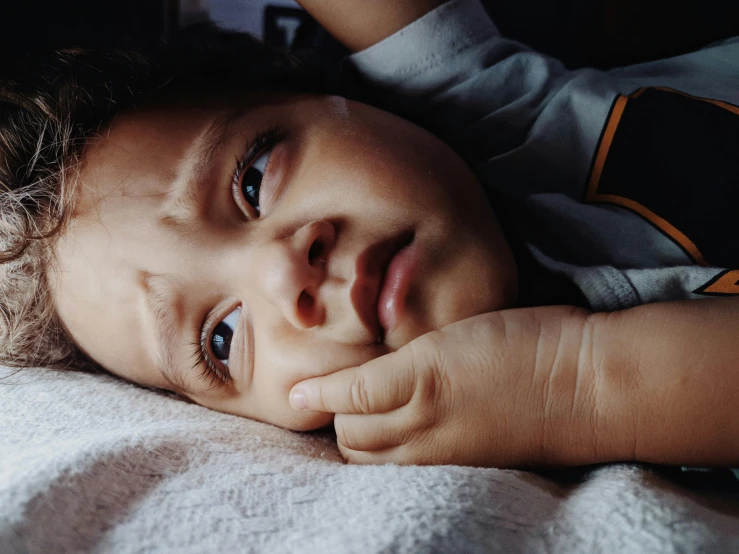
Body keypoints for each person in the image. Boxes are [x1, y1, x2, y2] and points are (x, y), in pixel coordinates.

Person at [0, 0, 737, 472]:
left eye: (251, 180)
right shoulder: (595, 434)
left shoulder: (495, 116)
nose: (283, 272)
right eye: (221, 339)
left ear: (336, 97)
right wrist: (570, 386)